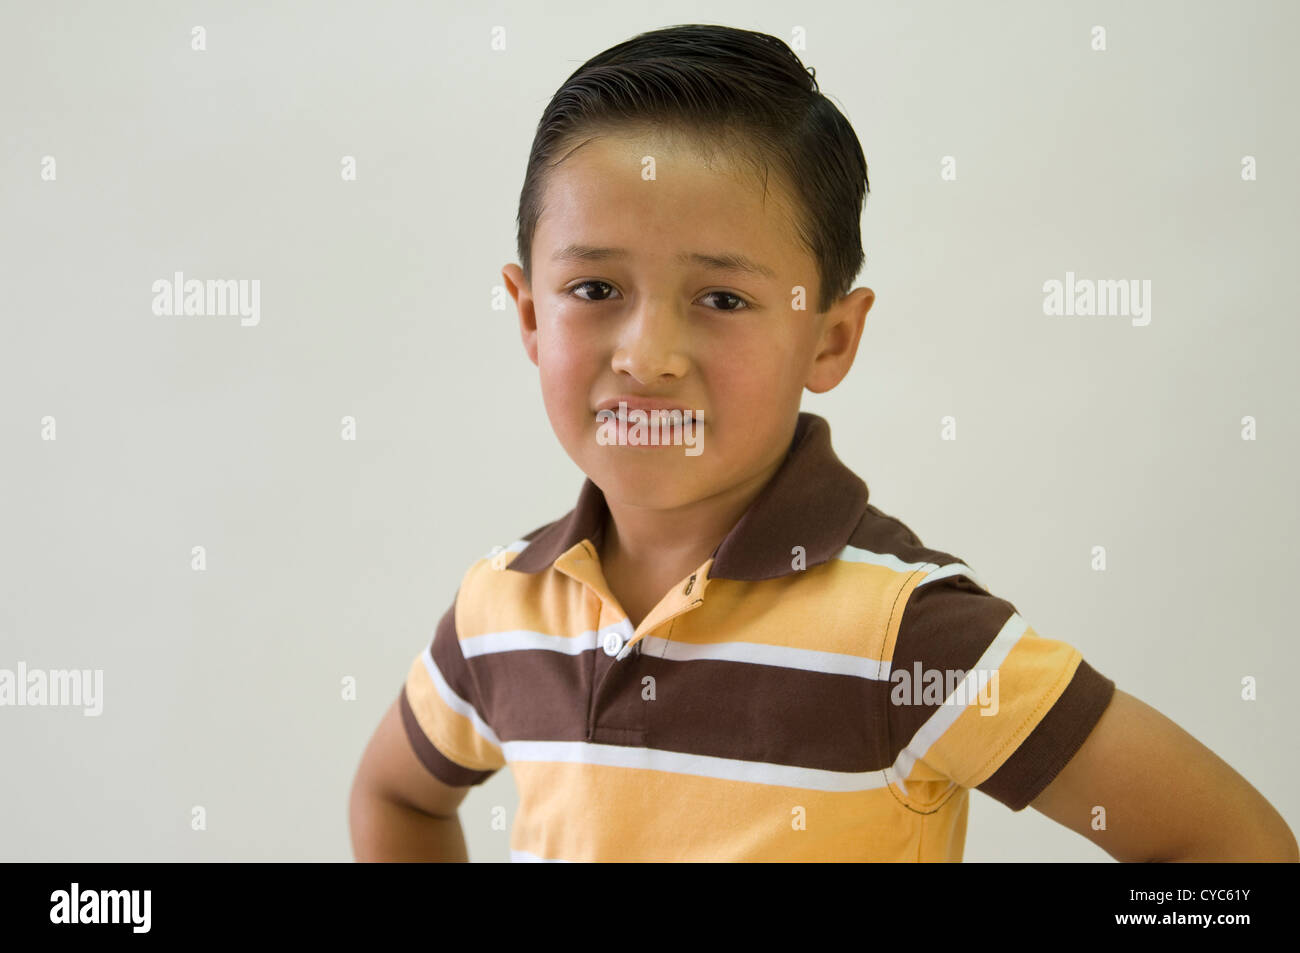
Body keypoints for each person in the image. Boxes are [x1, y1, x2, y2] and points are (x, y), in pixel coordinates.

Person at [349, 23, 1297, 862]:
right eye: (595, 289)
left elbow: (1229, 847)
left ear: (830, 337)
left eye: (722, 299)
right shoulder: (500, 608)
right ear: (527, 315)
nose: (648, 357)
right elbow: (394, 794)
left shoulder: (908, 636)